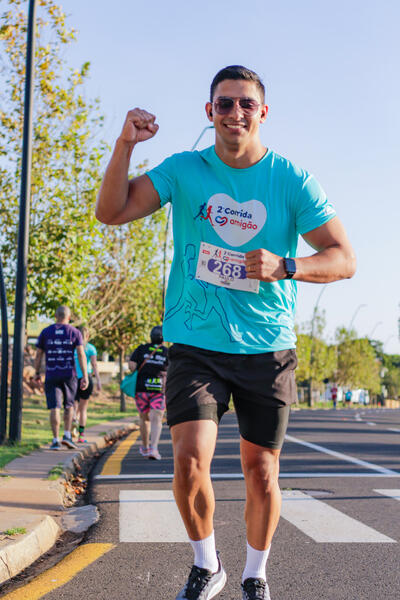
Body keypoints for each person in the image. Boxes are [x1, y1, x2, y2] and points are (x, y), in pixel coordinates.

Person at [96, 65, 356, 600]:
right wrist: (125, 144)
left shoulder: (292, 180)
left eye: (245, 104)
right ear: (208, 112)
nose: (234, 113)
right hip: (195, 341)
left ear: (262, 112)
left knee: (261, 472)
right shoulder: (184, 170)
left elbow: (344, 259)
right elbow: (112, 212)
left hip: (267, 347)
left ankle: (255, 574)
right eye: (223, 104)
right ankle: (206, 565)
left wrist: (287, 266)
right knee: (189, 461)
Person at [34, 306, 88, 450]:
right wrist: (85, 376)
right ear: (69, 317)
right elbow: (81, 355)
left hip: (51, 373)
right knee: (69, 405)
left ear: (55, 316)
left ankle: (55, 440)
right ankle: (67, 436)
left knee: (54, 407)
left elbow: (38, 354)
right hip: (69, 374)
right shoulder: (75, 332)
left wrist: (37, 372)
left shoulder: (46, 332)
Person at [128, 326, 168, 460]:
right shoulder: (166, 352)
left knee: (144, 419)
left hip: (141, 390)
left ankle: (145, 448)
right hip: (159, 391)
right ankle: (154, 449)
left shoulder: (141, 349)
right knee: (156, 419)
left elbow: (132, 367)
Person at [73, 326, 102, 443]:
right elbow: (94, 365)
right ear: (87, 336)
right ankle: (81, 435)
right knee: (83, 408)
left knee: (73, 406)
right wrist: (98, 380)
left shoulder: (72, 347)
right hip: (86, 378)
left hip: (72, 378)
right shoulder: (91, 348)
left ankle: (71, 428)